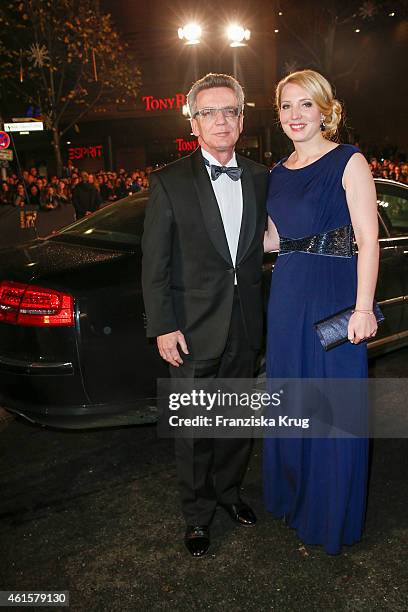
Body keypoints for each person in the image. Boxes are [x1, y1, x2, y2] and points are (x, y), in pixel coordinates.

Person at [142, 73, 269, 557]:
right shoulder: (168, 181)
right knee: (195, 430)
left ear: (242, 118)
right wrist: (163, 326)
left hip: (245, 323)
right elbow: (154, 264)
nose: (220, 121)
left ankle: (229, 494)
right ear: (193, 123)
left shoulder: (261, 177)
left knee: (237, 422)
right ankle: (197, 516)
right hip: (191, 329)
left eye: (229, 111)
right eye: (209, 113)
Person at [263, 69, 379, 555]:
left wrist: (363, 307)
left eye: (304, 105)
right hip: (287, 296)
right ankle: (295, 496)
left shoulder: (349, 161)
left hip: (334, 294)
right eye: (287, 106)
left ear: (324, 110)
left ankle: (328, 512)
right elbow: (272, 240)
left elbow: (368, 240)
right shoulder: (275, 172)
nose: (294, 115)